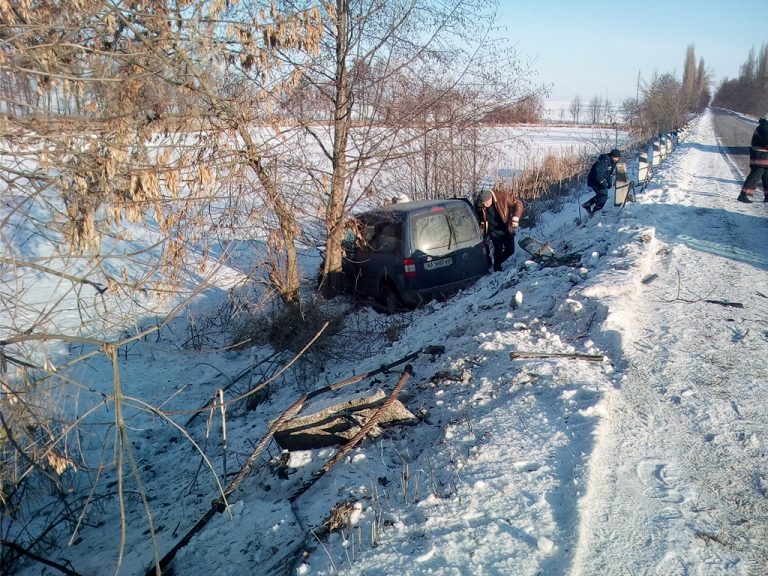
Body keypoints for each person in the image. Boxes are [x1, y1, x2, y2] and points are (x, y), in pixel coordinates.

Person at [475, 186, 524, 272]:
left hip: (506, 227)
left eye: (486, 202)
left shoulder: (503, 197)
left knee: (510, 250)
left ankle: (501, 261)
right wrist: (481, 224)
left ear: (491, 198)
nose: (484, 205)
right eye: (483, 203)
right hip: (492, 230)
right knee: (498, 250)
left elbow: (518, 203)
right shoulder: (480, 203)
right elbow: (478, 216)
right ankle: (497, 268)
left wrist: (516, 217)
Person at [737, 116, 768, 203]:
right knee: (754, 177)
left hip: (763, 157)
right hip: (760, 157)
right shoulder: (764, 128)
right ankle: (743, 195)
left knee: (767, 178)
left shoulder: (764, 126)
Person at [582, 148, 621, 215]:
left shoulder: (612, 162)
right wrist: (603, 182)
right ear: (611, 156)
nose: (616, 159)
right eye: (615, 157)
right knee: (603, 195)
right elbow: (598, 172)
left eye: (617, 158)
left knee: (601, 195)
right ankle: (596, 212)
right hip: (595, 180)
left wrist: (609, 183)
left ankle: (588, 205)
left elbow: (608, 174)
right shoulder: (605, 160)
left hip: (598, 180)